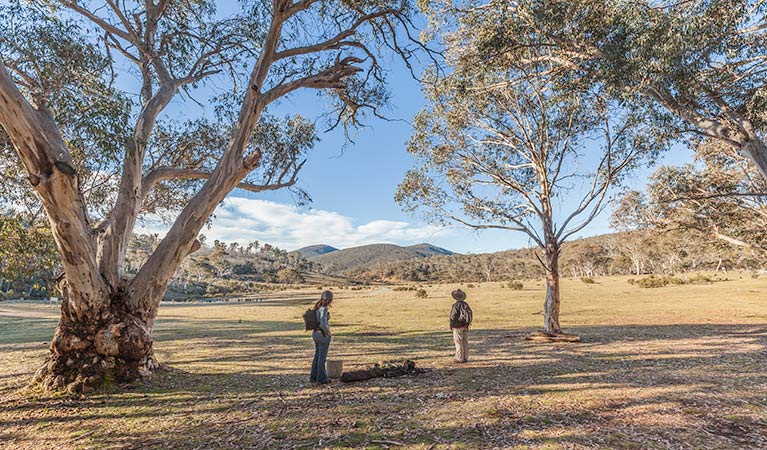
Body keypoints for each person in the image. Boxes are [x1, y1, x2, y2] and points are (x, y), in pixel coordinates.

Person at [310, 290, 333, 384]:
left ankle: (313, 377)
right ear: (329, 300)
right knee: (322, 358)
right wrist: (328, 332)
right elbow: (323, 324)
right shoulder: (324, 308)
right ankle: (322, 379)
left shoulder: (316, 307)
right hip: (322, 335)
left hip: (315, 334)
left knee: (317, 356)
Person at [449, 289, 473, 363]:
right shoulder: (466, 305)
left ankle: (459, 358)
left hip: (457, 326)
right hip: (465, 325)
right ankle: (465, 357)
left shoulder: (456, 305)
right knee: (465, 341)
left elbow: (453, 316)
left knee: (458, 342)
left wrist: (451, 325)